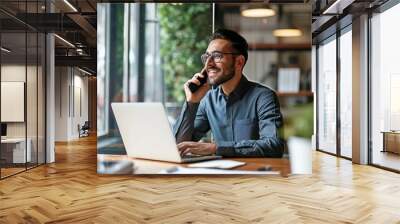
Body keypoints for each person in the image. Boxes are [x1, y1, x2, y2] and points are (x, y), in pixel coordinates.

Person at [173, 29, 284, 158]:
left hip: (255, 174)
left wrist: (216, 148)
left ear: (239, 62)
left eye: (217, 56)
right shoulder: (208, 99)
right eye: (207, 57)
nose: (208, 64)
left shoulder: (263, 97)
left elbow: (274, 145)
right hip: (220, 175)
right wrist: (192, 102)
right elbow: (178, 146)